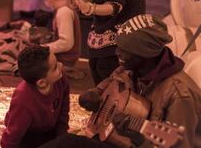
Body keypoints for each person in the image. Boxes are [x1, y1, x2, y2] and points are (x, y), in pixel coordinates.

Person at [77, 14, 201, 148]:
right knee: (68, 142)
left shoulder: (180, 96)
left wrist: (140, 138)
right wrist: (96, 93)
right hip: (118, 141)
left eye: (125, 50)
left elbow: (179, 145)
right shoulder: (130, 69)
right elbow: (111, 83)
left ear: (146, 53)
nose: (117, 53)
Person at [1, 45, 70, 148]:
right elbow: (12, 136)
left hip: (49, 129)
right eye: (55, 67)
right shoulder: (23, 100)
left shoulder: (60, 79)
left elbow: (64, 107)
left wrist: (61, 135)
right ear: (42, 83)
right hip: (28, 134)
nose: (61, 65)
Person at [43, 0, 83, 80]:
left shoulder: (63, 11)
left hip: (64, 62)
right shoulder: (60, 9)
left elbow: (66, 43)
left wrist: (42, 48)